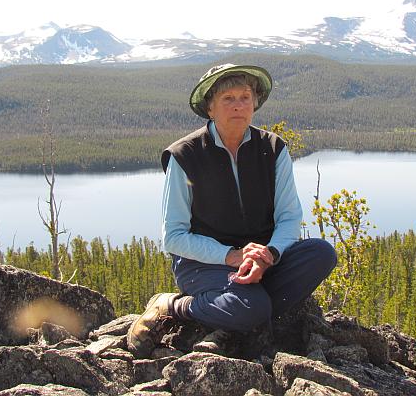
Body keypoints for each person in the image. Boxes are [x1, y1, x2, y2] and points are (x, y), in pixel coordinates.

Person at [127, 63, 337, 358]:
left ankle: (234, 311)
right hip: (203, 263)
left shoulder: (273, 149)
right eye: (228, 99)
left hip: (260, 260)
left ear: (254, 104)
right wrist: (231, 256)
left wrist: (269, 255)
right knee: (253, 308)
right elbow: (174, 237)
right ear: (210, 108)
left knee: (321, 254)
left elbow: (289, 217)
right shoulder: (185, 155)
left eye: (245, 97)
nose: (238, 105)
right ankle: (173, 306)